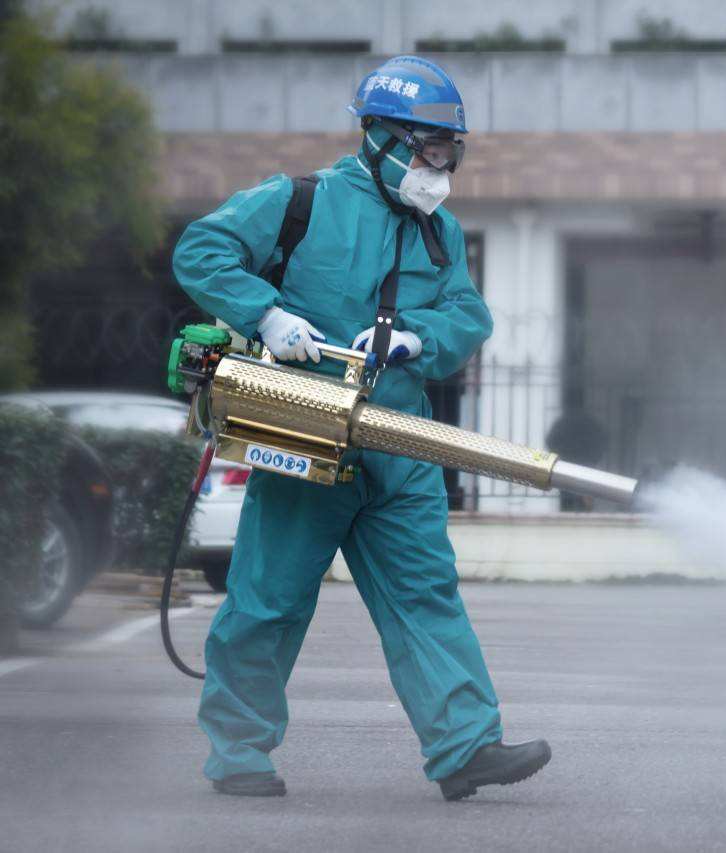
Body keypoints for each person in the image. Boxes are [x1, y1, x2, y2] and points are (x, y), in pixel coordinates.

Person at [172, 55, 550, 801]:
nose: (441, 167)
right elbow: (201, 250)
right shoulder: (299, 202)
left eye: (450, 151)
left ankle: (466, 747)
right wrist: (267, 315)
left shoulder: (439, 231)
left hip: (399, 446)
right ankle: (239, 751)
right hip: (304, 435)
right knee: (269, 600)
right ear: (381, 138)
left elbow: (468, 315)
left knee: (426, 596)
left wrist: (415, 337)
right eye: (430, 149)